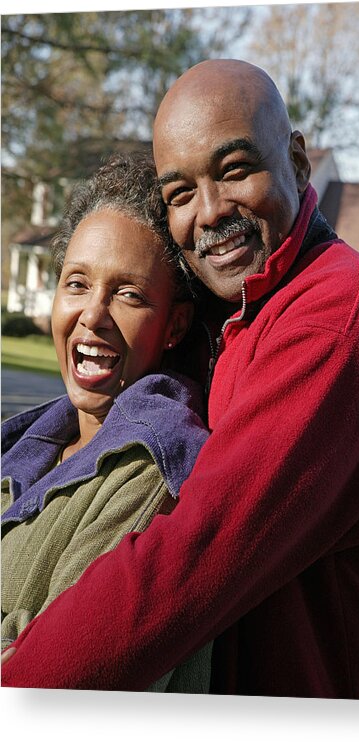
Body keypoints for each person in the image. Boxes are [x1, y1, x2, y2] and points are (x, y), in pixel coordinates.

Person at [2, 60, 359, 699]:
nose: (210, 213)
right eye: (180, 193)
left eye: (235, 169)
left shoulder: (334, 322)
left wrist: (15, 688)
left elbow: (184, 568)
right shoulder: (235, 310)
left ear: (298, 163)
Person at [1, 154, 212, 693]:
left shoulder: (153, 467)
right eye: (77, 283)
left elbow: (53, 658)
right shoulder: (29, 440)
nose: (92, 315)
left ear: (175, 325)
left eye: (128, 294)